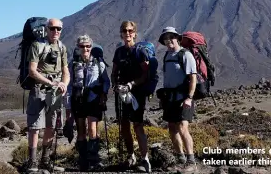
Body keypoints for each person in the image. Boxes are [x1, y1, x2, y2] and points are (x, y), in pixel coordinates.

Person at [25, 18, 70, 173]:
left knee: (52, 125)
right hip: (39, 89)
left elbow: (66, 71)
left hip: (55, 91)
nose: (55, 31)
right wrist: (50, 83)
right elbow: (32, 71)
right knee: (35, 126)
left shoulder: (62, 47)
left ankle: (45, 160)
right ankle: (32, 162)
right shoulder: (37, 45)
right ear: (47, 28)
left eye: (58, 29)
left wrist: (64, 84)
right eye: (52, 28)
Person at [111, 20, 151, 173]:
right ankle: (131, 156)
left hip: (137, 94)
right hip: (122, 95)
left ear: (134, 33)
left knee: (138, 125)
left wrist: (131, 85)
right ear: (121, 33)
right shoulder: (119, 52)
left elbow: (145, 74)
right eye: (124, 31)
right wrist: (116, 85)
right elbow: (114, 72)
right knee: (125, 127)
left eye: (130, 31)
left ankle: (145, 160)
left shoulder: (140, 51)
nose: (127, 33)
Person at [65, 34, 110, 171]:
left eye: (88, 46)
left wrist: (103, 93)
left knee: (92, 127)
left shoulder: (98, 63)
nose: (85, 49)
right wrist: (67, 103)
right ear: (78, 47)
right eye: (82, 46)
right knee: (81, 130)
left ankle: (94, 159)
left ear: (91, 47)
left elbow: (106, 81)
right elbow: (69, 84)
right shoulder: (72, 64)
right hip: (78, 100)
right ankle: (83, 160)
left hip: (94, 99)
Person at [157, 26, 197, 173]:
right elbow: (167, 78)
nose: (169, 41)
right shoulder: (167, 56)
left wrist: (189, 97)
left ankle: (191, 159)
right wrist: (163, 98)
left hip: (183, 97)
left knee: (182, 127)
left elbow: (193, 78)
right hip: (170, 98)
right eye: (166, 39)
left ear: (178, 38)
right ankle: (180, 158)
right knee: (172, 128)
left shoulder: (185, 55)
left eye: (171, 37)